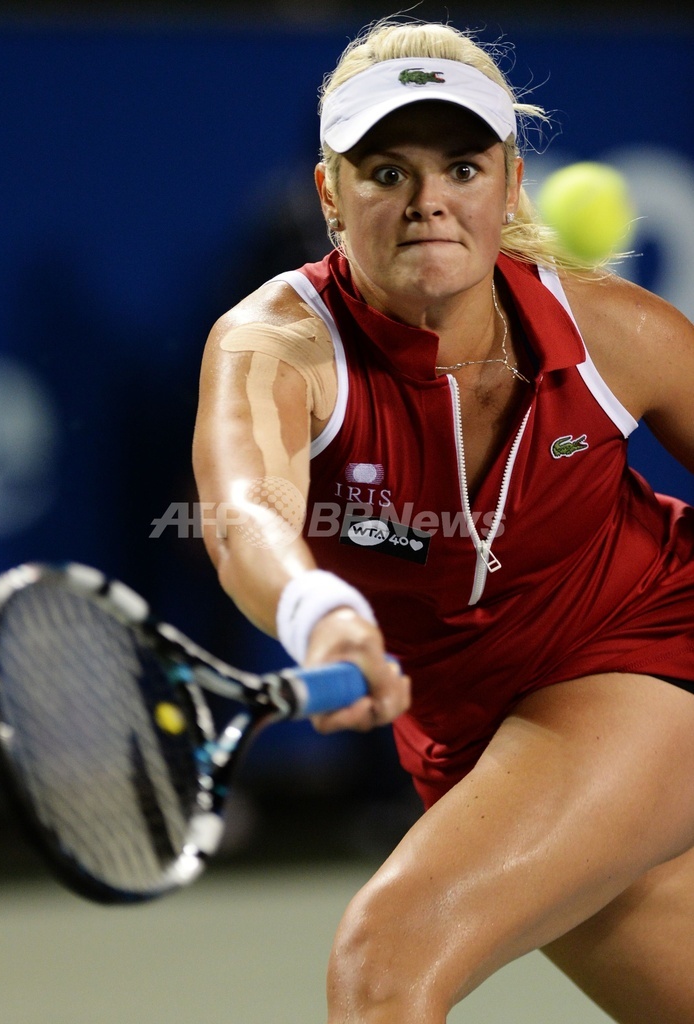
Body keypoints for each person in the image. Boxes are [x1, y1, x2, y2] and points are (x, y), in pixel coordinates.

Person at [192, 17, 694, 1023]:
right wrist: (320, 613)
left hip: (646, 646)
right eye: (386, 172)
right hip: (468, 737)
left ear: (508, 187)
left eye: (461, 167)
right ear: (329, 194)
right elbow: (244, 509)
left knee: (384, 961)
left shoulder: (618, 334)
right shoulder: (274, 344)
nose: (428, 201)